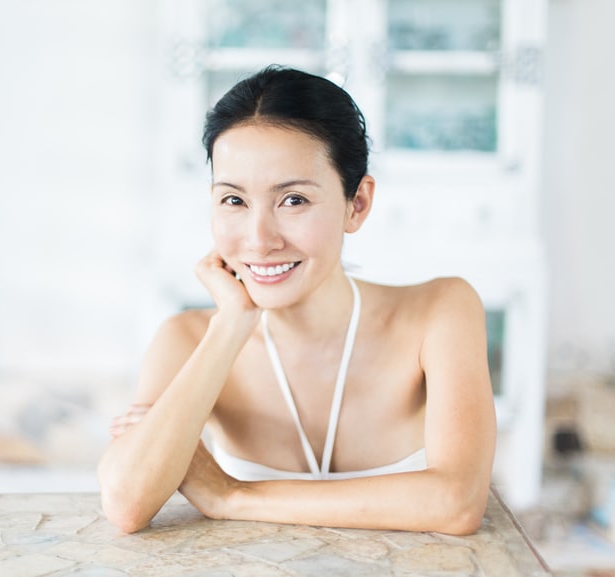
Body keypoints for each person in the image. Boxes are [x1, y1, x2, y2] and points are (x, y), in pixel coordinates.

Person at [97, 66, 496, 535]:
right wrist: (230, 327)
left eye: (293, 201)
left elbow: (456, 502)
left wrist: (231, 495)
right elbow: (126, 504)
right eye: (233, 200)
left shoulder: (440, 312)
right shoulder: (187, 338)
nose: (259, 239)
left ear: (357, 203)